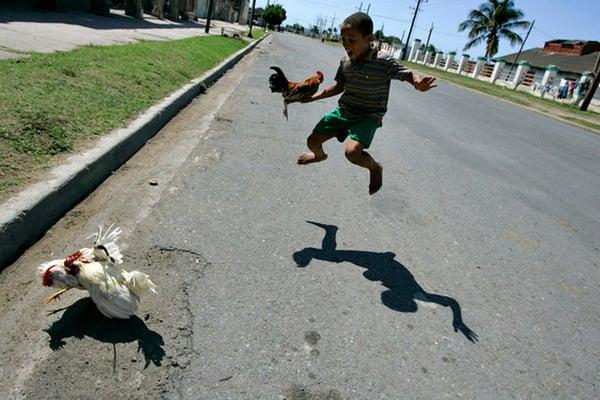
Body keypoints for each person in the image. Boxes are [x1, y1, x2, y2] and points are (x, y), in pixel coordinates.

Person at [299, 12, 437, 195]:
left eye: (351, 39)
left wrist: (417, 81)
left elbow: (406, 74)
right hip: (346, 111)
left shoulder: (383, 60)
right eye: (343, 39)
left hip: (369, 116)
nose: (346, 45)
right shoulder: (345, 62)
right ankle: (319, 155)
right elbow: (340, 86)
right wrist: (313, 97)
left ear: (368, 39)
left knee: (352, 152)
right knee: (312, 140)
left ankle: (375, 168)